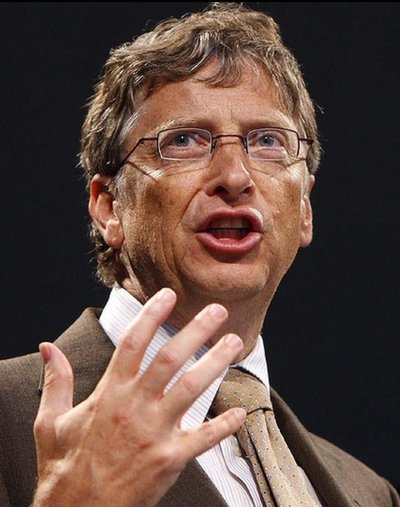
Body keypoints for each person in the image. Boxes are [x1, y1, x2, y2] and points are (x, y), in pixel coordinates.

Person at [0, 2, 398, 506]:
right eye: (185, 140)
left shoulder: (369, 493)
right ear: (109, 206)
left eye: (268, 141)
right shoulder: (7, 419)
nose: (235, 176)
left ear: (304, 209)